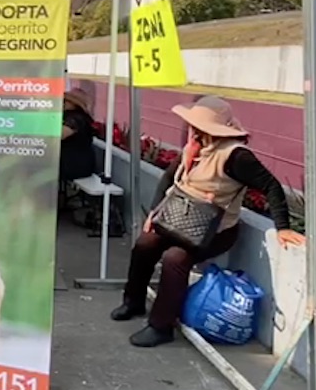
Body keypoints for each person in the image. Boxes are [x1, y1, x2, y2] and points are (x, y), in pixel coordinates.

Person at [110, 96, 305, 348]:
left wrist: (283, 227)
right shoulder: (196, 146)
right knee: (145, 243)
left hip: (213, 230)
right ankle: (133, 301)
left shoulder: (235, 156)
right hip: (177, 217)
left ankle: (161, 326)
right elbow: (168, 178)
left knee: (175, 259)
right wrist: (153, 213)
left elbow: (271, 186)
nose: (190, 128)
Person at [60, 88, 97, 182]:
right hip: (72, 161)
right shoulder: (70, 116)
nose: (62, 102)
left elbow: (60, 134)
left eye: (66, 101)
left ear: (74, 104)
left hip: (75, 164)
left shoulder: (76, 118)